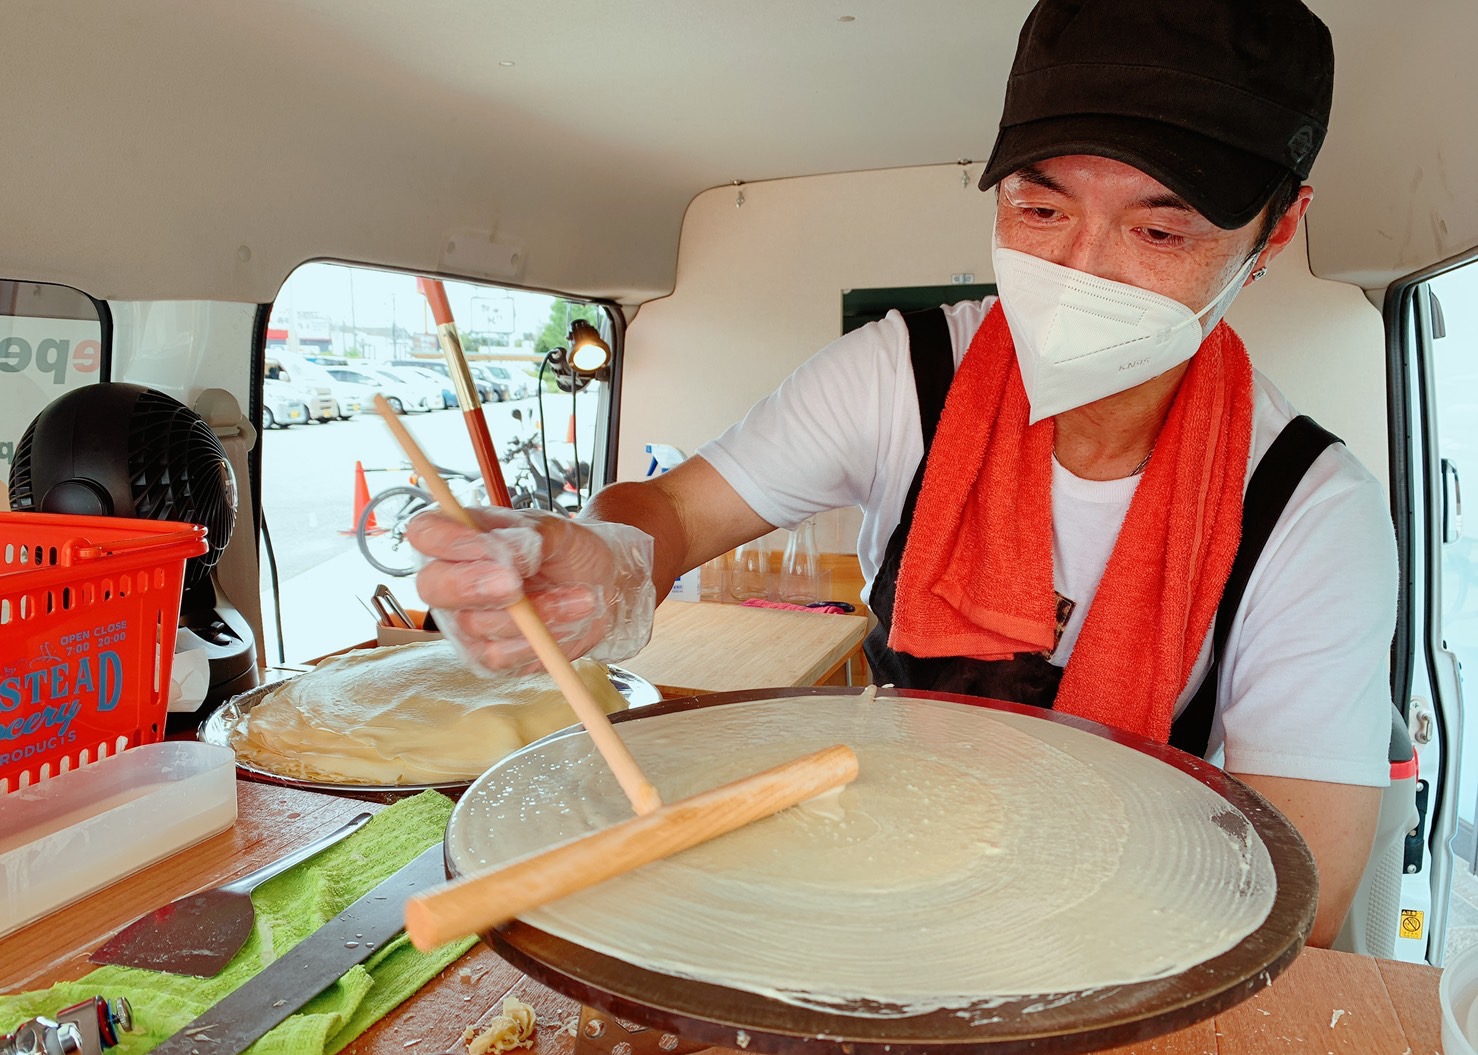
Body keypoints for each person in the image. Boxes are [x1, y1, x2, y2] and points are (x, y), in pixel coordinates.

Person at [408, 0, 1397, 948]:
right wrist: (603, 557)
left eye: (1157, 229)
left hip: (1124, 931)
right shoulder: (901, 375)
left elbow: (1293, 896)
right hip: (875, 893)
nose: (1079, 273)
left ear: (1272, 229)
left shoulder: (1307, 514)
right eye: (1038, 205)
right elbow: (671, 508)